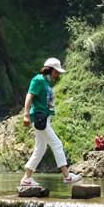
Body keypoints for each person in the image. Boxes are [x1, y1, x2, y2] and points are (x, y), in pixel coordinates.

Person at [20, 58, 82, 186]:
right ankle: (66, 175)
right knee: (57, 144)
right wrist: (26, 115)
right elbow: (29, 96)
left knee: (40, 149)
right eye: (56, 72)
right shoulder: (38, 80)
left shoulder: (46, 83)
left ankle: (26, 178)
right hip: (39, 118)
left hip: (44, 118)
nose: (57, 75)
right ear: (50, 69)